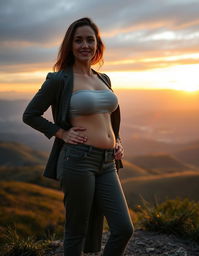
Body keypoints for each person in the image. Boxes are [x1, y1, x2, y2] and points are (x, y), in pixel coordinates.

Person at [22, 17, 134, 256]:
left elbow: (109, 118)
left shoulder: (103, 79)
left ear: (98, 44)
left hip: (108, 162)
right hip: (78, 160)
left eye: (90, 40)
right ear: (70, 46)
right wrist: (61, 132)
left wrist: (118, 142)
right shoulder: (59, 80)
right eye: (79, 40)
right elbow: (30, 114)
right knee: (76, 231)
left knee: (124, 228)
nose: (85, 45)